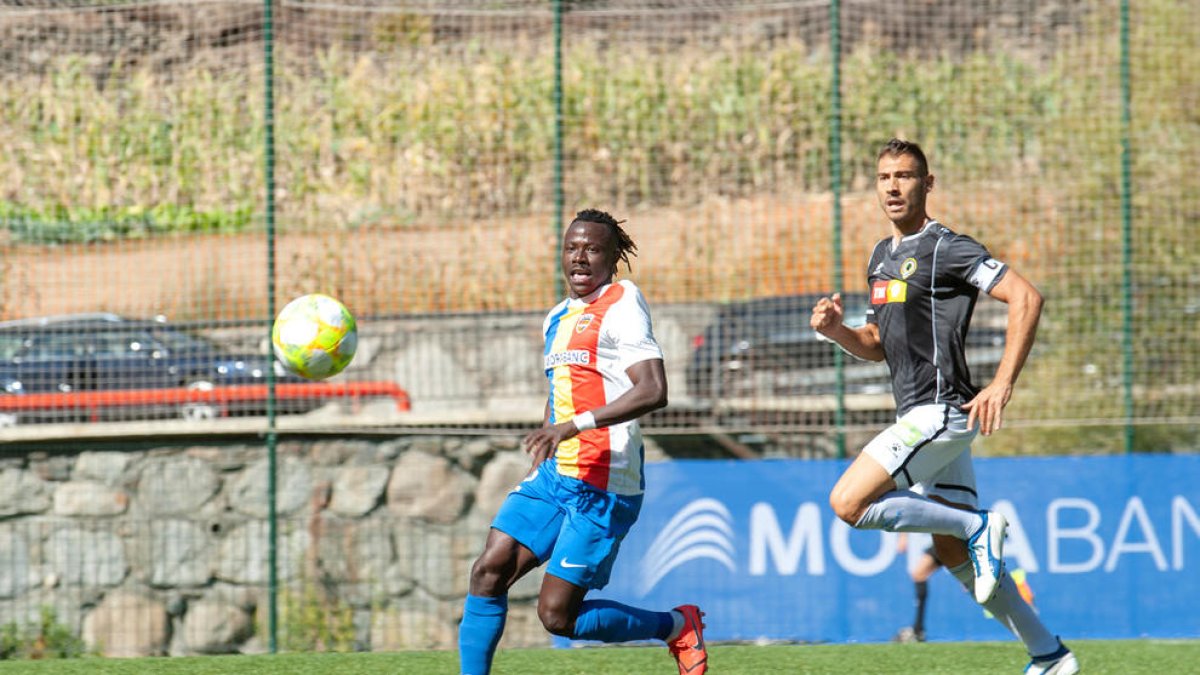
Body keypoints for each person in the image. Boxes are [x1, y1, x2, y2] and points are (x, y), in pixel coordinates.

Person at [811, 139, 1078, 674]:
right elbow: (877, 343)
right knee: (952, 554)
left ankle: (977, 527)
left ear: (927, 184)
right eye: (884, 176)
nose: (892, 186)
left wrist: (1002, 383)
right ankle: (1048, 653)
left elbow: (1027, 297)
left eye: (905, 176)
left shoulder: (946, 247)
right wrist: (837, 331)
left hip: (940, 412)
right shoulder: (880, 257)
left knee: (848, 503)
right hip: (917, 415)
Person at [457, 209, 708, 675]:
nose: (580, 256)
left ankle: (676, 625)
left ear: (614, 257)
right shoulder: (558, 316)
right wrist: (549, 438)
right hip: (555, 477)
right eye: (572, 247)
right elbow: (562, 393)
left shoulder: (622, 301)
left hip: (605, 484)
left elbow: (653, 389)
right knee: (488, 572)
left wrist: (573, 426)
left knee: (557, 616)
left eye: (593, 248)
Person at [893, 532, 942, 643]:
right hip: (945, 539)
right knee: (919, 574)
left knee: (972, 581)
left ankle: (918, 630)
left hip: (956, 538)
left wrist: (903, 536)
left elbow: (907, 513)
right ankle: (918, 629)